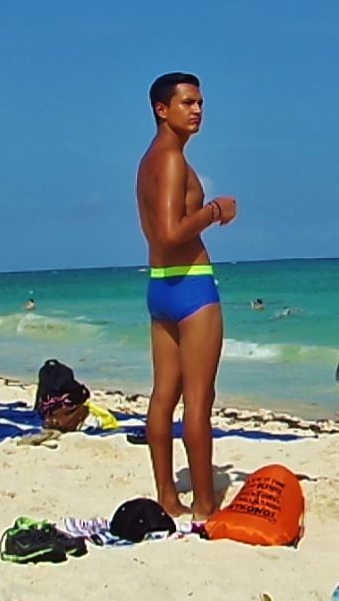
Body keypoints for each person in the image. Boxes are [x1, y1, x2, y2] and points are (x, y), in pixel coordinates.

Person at [135, 70, 240, 519]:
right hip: (191, 285)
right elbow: (171, 231)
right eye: (187, 103)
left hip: (160, 284)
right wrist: (215, 211)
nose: (197, 110)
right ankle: (205, 505)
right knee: (199, 400)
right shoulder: (172, 159)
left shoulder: (149, 160)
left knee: (164, 396)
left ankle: (166, 495)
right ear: (162, 109)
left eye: (200, 102)